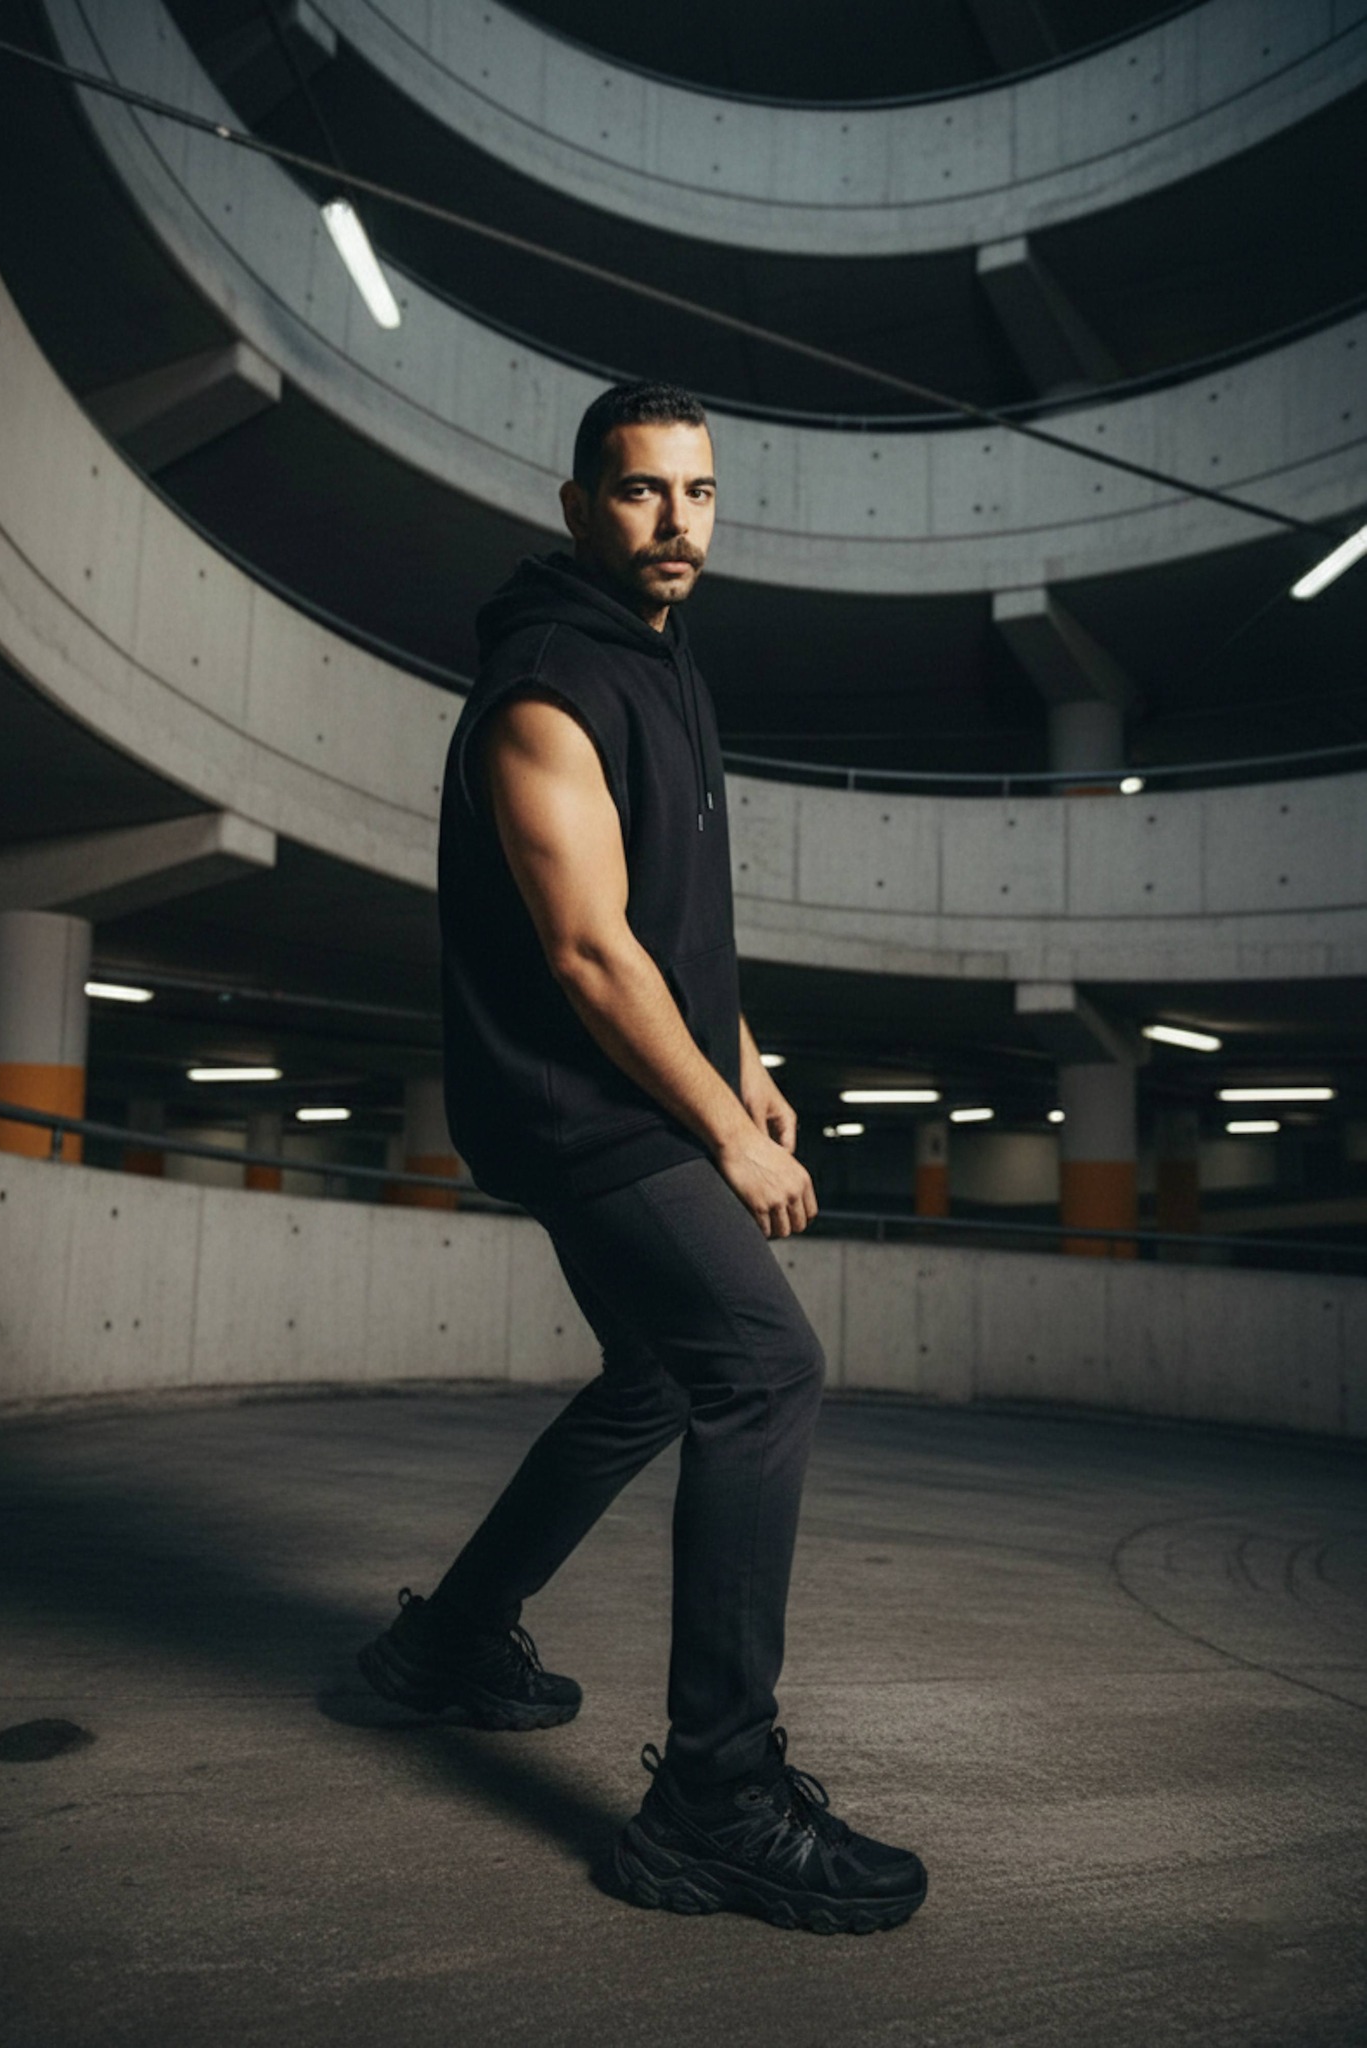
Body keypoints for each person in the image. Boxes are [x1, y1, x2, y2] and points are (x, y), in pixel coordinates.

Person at [360, 381, 927, 1935]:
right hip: (575, 1103)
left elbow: (678, 920)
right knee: (762, 1368)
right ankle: (714, 1802)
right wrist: (728, 1135)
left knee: (659, 1377)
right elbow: (595, 956)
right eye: (638, 493)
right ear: (576, 507)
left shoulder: (665, 662)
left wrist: (748, 1057)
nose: (676, 522)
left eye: (699, 492)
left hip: (638, 1087)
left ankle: (447, 1644)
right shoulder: (548, 685)